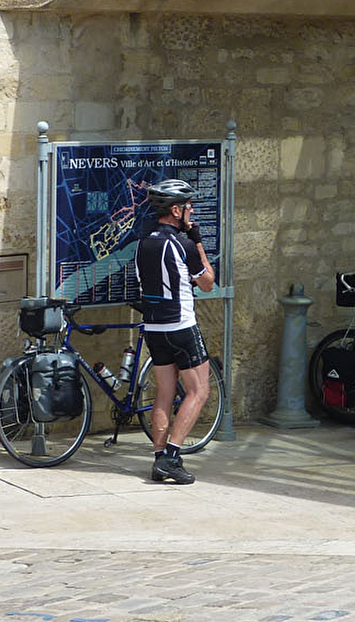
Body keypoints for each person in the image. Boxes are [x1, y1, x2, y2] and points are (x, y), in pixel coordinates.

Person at [134, 178, 216, 484]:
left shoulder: (144, 242)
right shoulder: (182, 244)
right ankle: (171, 456)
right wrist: (197, 240)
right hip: (181, 325)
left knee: (165, 393)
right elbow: (207, 282)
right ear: (177, 210)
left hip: (154, 327)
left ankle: (159, 459)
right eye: (189, 207)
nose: (192, 211)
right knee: (199, 391)